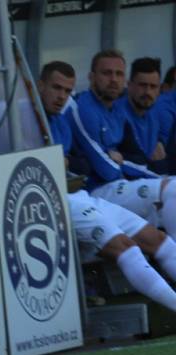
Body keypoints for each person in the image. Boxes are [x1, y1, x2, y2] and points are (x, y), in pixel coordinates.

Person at [39, 60, 176, 311]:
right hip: (64, 199)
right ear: (39, 85)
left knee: (156, 239)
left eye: (66, 91)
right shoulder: (71, 112)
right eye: (56, 88)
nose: (61, 96)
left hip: (83, 194)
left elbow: (84, 164)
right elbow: (103, 168)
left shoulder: (64, 119)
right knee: (128, 248)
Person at [68, 49, 176, 236]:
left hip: (122, 183)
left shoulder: (116, 109)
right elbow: (107, 170)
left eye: (118, 74)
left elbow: (138, 157)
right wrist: (156, 178)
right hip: (97, 190)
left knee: (169, 190)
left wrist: (121, 160)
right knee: (172, 190)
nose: (113, 79)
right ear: (92, 77)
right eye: (106, 73)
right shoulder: (85, 108)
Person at [115, 57, 170, 174]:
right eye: (142, 85)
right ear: (129, 85)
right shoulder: (116, 113)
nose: (147, 92)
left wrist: (160, 142)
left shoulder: (153, 113)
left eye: (153, 86)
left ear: (159, 89)